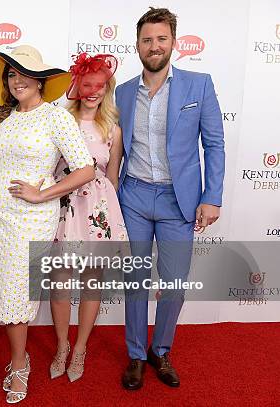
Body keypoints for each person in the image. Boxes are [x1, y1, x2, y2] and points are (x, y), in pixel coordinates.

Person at [0, 45, 95, 403]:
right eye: (11, 74)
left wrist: (44, 194)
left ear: (40, 80)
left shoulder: (55, 117)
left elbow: (86, 169)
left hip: (31, 218)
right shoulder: (6, 118)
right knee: (5, 289)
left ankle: (19, 364)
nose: (16, 80)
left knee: (17, 292)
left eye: (24, 73)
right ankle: (20, 356)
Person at [115, 7, 225, 390]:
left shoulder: (199, 85)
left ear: (174, 43)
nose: (154, 46)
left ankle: (160, 351)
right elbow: (116, 147)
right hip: (134, 196)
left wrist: (212, 197)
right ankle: (135, 354)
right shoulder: (124, 91)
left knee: (175, 284)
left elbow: (214, 144)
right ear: (137, 46)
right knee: (135, 280)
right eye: (147, 40)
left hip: (179, 201)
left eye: (161, 39)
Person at [50, 53, 128, 383]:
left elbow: (112, 177)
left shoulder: (112, 128)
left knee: (91, 283)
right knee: (60, 283)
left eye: (99, 86)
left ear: (106, 88)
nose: (93, 91)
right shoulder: (60, 120)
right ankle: (62, 346)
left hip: (97, 209)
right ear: (77, 86)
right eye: (87, 85)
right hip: (64, 205)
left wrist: (105, 215)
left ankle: (81, 348)